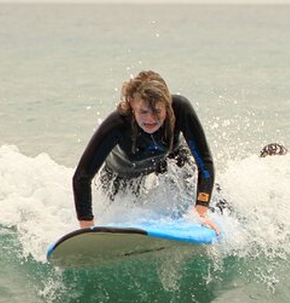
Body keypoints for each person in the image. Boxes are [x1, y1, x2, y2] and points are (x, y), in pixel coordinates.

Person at [71, 70, 220, 234]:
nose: (150, 119)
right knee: (127, 216)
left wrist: (200, 212)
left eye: (157, 111)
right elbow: (82, 177)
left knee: (210, 197)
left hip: (170, 161)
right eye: (143, 112)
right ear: (132, 106)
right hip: (121, 177)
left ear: (167, 106)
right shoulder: (118, 124)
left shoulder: (180, 109)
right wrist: (87, 230)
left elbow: (204, 162)